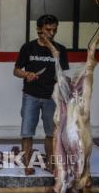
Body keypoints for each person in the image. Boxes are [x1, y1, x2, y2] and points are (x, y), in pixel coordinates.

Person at [13, 14, 69, 175]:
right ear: (39, 29)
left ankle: (51, 164)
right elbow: (16, 70)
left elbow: (62, 74)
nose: (51, 33)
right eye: (47, 29)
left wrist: (64, 82)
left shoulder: (60, 50)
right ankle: (27, 163)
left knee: (51, 133)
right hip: (30, 95)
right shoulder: (28, 47)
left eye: (54, 30)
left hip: (51, 97)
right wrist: (26, 74)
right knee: (27, 132)